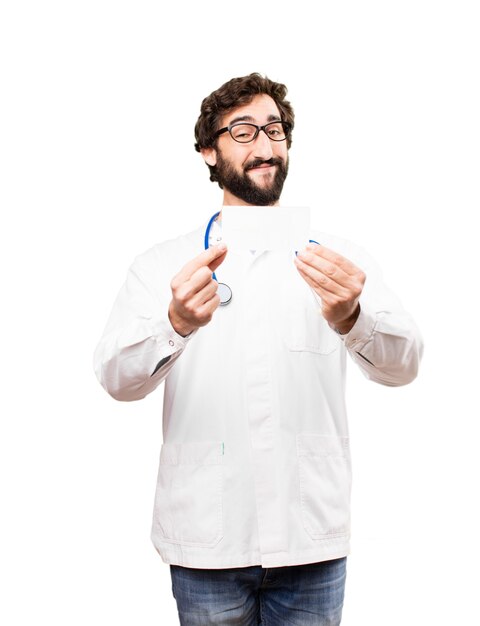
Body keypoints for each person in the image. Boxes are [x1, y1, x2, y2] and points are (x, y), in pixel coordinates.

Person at [94, 73, 423, 626]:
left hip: (310, 541)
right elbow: (116, 380)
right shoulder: (161, 265)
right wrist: (173, 323)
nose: (266, 146)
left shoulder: (338, 261)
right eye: (243, 131)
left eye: (275, 129)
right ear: (208, 149)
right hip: (206, 540)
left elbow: (405, 366)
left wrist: (352, 318)